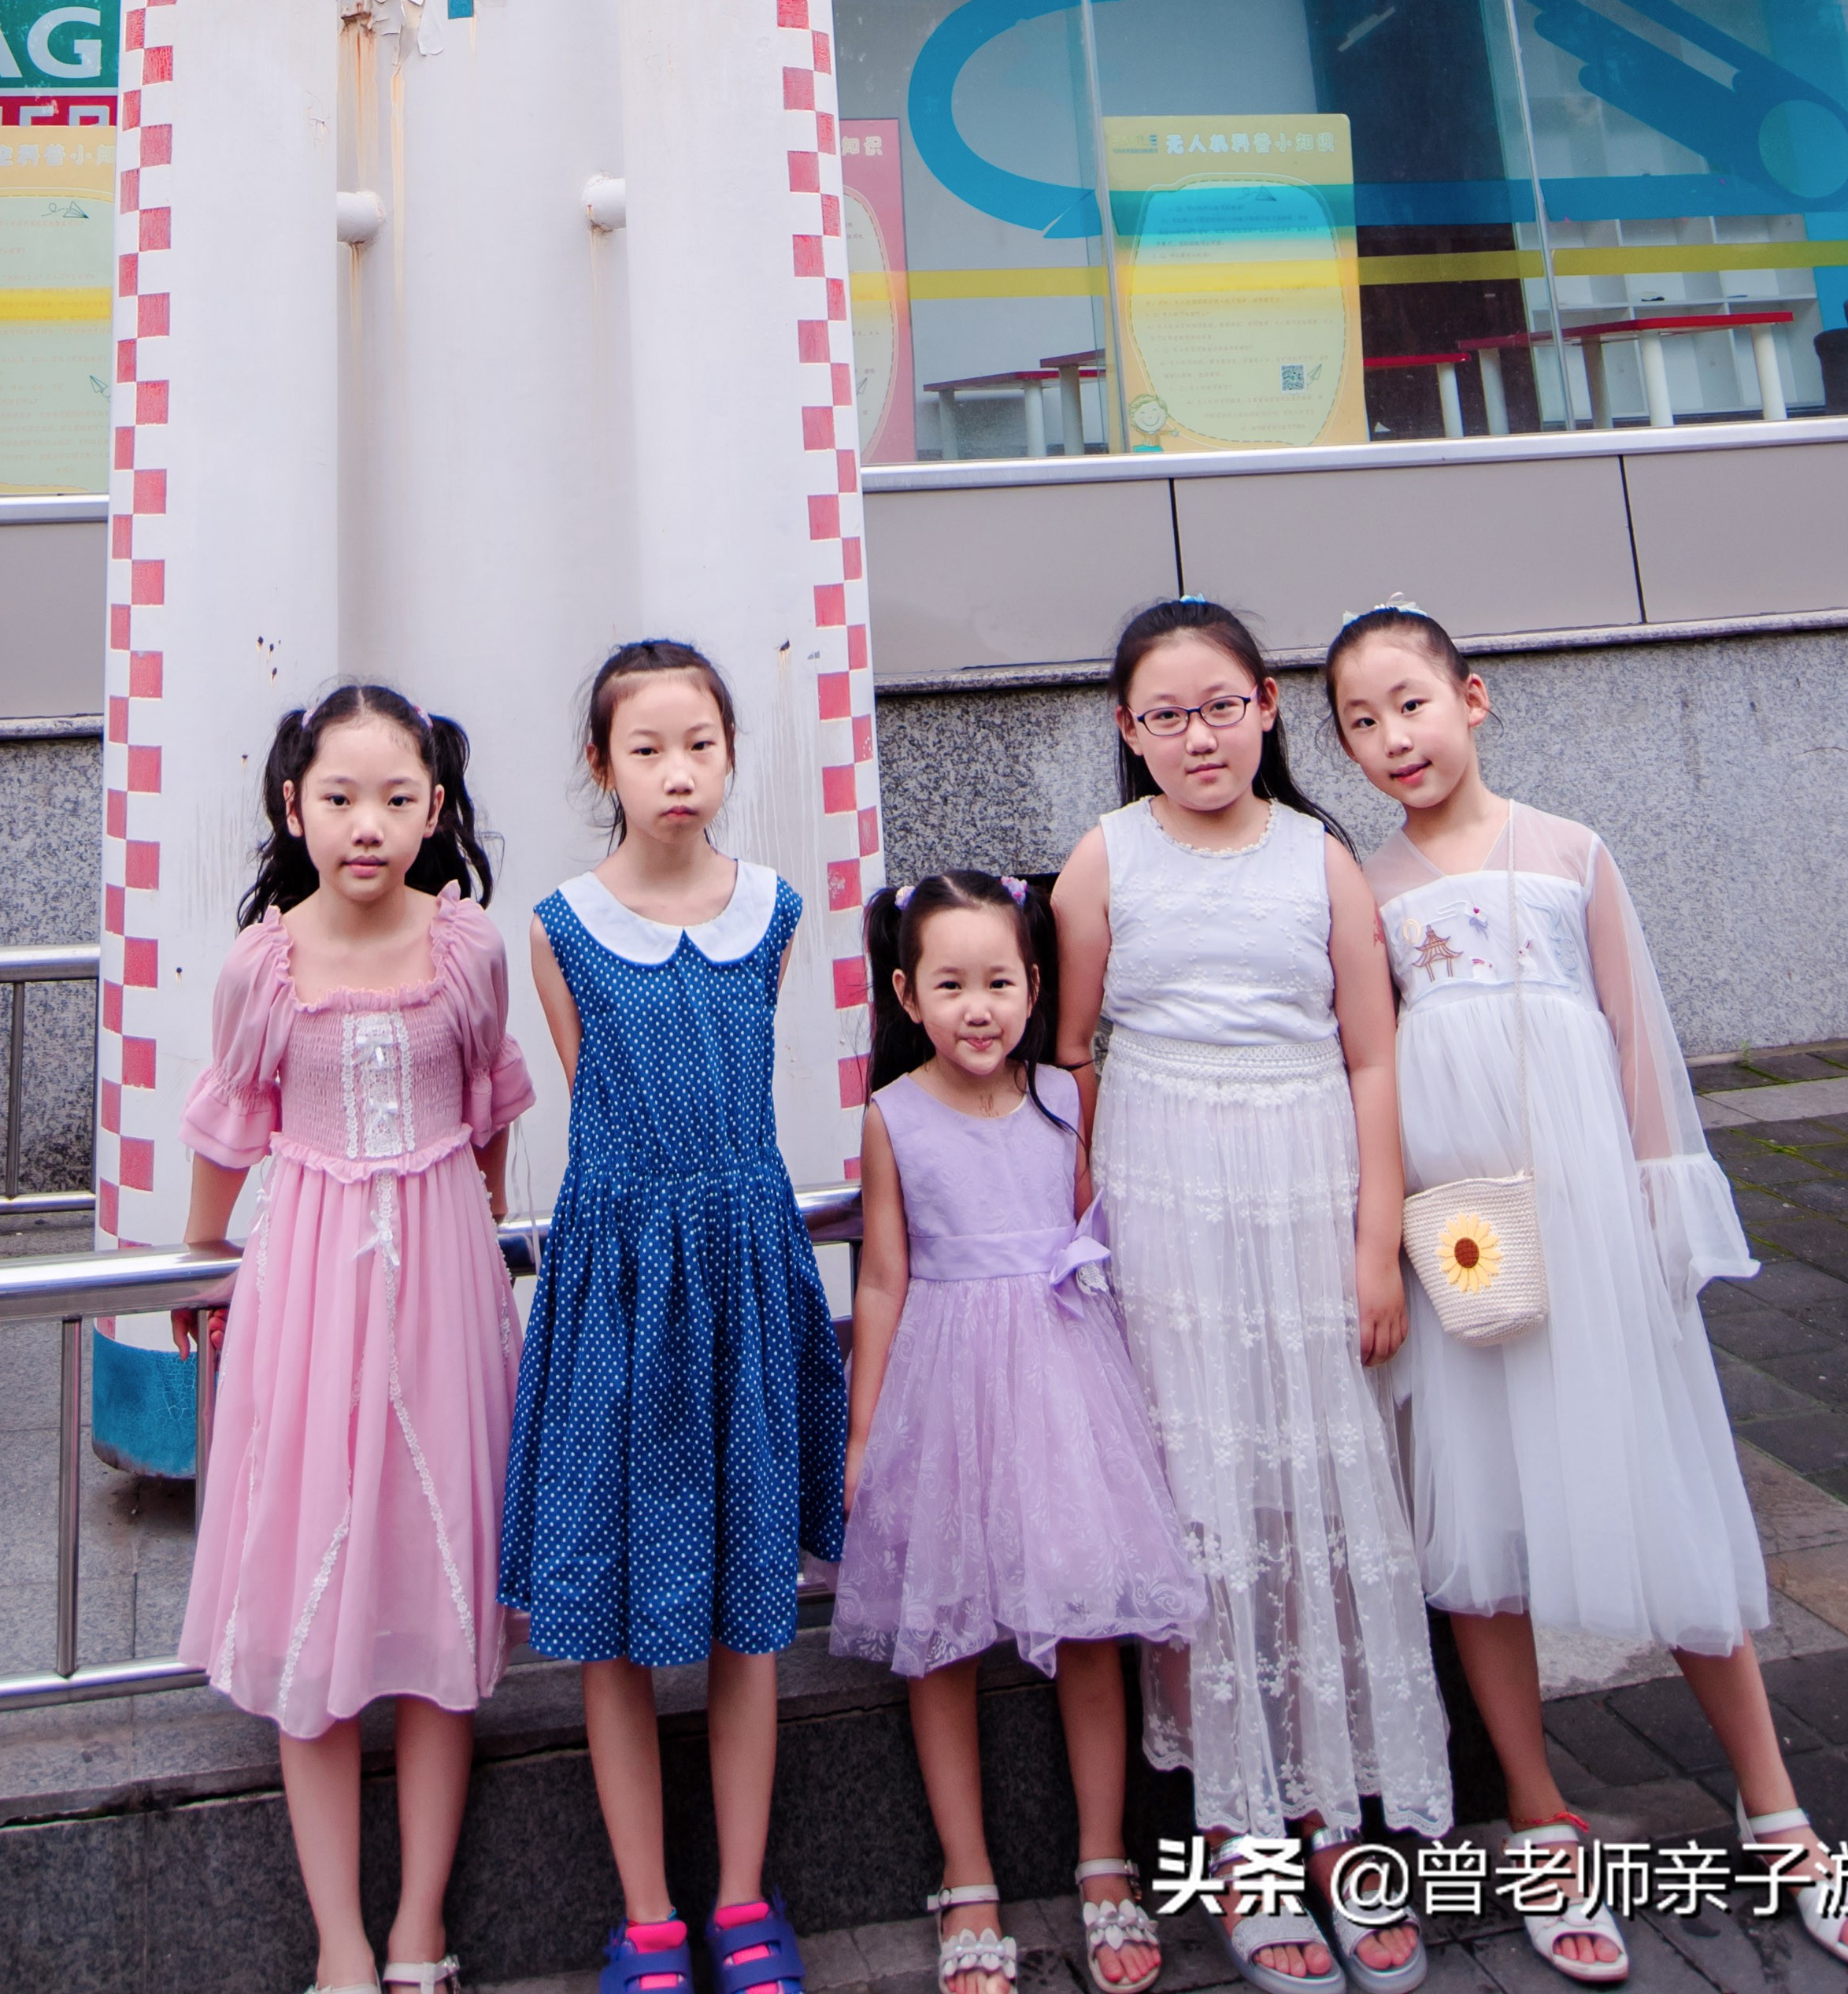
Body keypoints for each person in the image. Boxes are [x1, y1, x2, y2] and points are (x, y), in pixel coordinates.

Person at [1325, 602, 1848, 1984]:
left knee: (1668, 1493)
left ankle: (1778, 1811)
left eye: (1411, 701)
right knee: (1478, 1515)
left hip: (1591, 1221)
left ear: (1474, 698)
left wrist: (1660, 1219)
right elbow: (1370, 1071)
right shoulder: (1368, 893)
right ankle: (1538, 1812)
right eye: (1358, 720)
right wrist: (1383, 1239)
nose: (1393, 737)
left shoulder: (1573, 855)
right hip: (1461, 1236)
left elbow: (1641, 1046)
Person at [1051, 599, 1448, 1994]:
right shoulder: (1101, 864)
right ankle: (1238, 1835)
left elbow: (1373, 1058)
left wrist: (1374, 1238)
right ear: (1125, 731)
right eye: (1165, 714)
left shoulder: (1321, 860)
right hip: (1165, 1214)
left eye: (1220, 705)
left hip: (1305, 1194)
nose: (1198, 735)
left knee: (1320, 1508)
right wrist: (1078, 1240)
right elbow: (1072, 1066)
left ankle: (1339, 1816)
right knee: (1203, 1503)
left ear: (1268, 707)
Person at [498, 638, 850, 1994]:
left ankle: (744, 1901)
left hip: (747, 1272)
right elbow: (596, 1105)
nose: (678, 771)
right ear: (602, 766)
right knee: (614, 1604)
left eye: (699, 743)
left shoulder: (771, 909)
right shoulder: (563, 927)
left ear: (729, 752)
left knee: (748, 1605)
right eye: (646, 748)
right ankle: (649, 1916)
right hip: (618, 1283)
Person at [177, 680, 535, 1994]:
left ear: (435, 810)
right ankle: (338, 1943)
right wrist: (202, 1263)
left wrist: (480, 1224)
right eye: (339, 799)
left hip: (444, 1272)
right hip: (309, 1280)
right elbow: (228, 1126)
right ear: (294, 807)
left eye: (396, 799)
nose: (367, 825)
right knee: (310, 1578)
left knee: (441, 1584)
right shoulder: (263, 964)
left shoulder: (469, 948)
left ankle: (418, 1925)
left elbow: (494, 1102)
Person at [833, 867, 1202, 1994]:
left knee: (1088, 1624)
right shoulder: (892, 1116)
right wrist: (865, 1433)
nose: (978, 1006)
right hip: (942, 1388)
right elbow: (885, 1279)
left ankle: (1103, 1861)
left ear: (1037, 985)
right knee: (939, 1638)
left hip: (1059, 1382)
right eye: (951, 984)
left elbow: (1098, 1236)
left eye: (999, 981)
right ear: (907, 995)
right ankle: (969, 1876)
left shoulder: (1065, 1099)